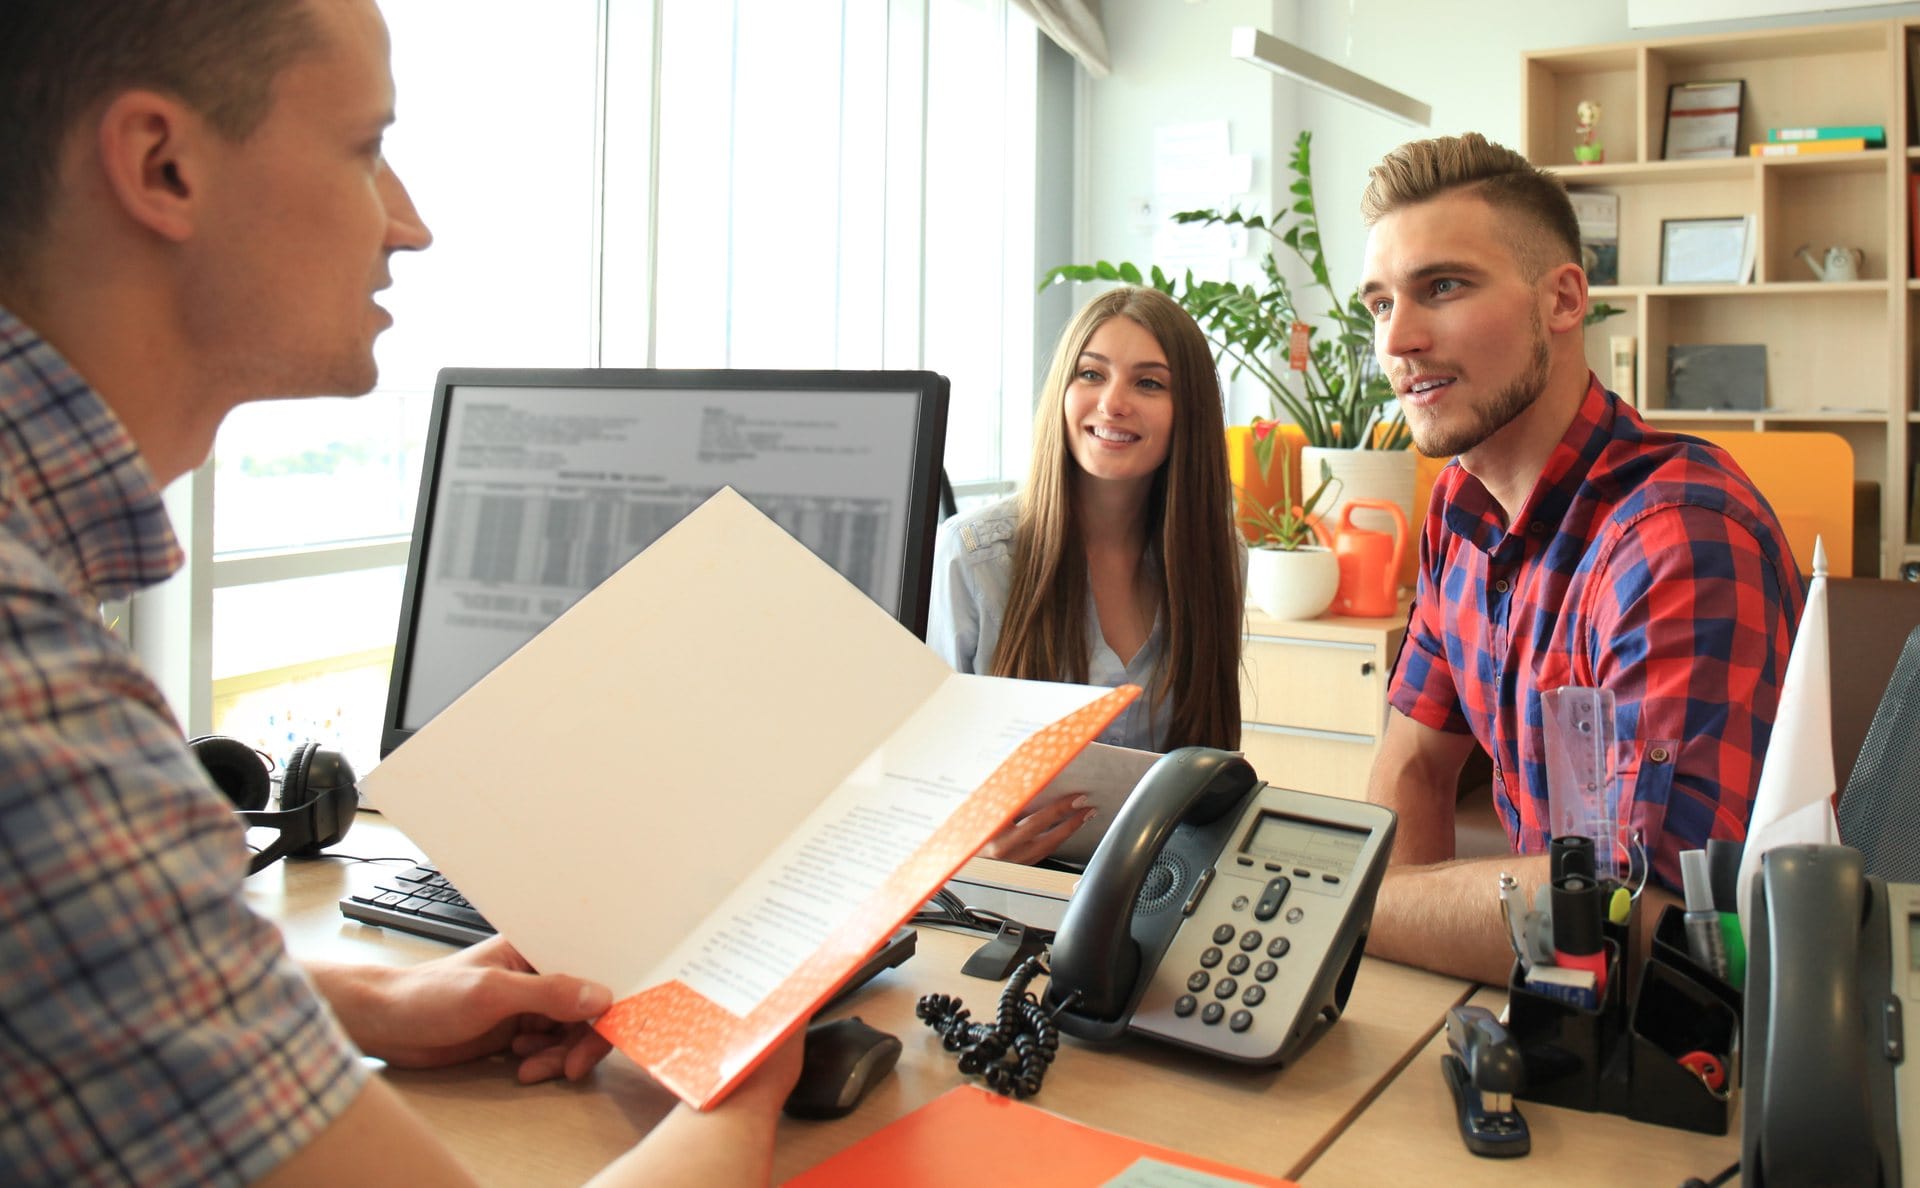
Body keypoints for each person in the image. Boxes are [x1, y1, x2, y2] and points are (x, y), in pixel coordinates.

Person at [0, 1, 800, 1184]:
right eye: (366, 147)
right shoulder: (38, 699)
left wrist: (363, 999)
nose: (410, 224)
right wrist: (737, 1085)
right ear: (162, 166)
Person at [1354, 133, 1803, 985]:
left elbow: (1642, 914)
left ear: (1562, 300)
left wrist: (1356, 906)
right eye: (1379, 304)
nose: (1399, 339)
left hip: (1685, 1045)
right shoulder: (1460, 508)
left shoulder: (1677, 537)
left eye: (1442, 287)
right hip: (1545, 1006)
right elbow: (1415, 761)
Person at [928, 286, 1244, 864]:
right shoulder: (974, 558)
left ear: (1189, 412)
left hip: (1157, 888)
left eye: (1149, 383)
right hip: (1008, 891)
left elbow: (1211, 769)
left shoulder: (1218, 558)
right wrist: (974, 849)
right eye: (1091, 374)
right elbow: (925, 780)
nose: (1113, 403)